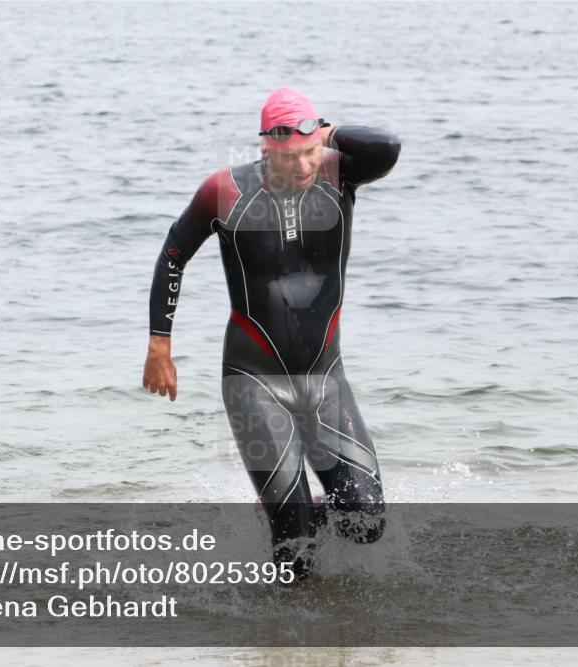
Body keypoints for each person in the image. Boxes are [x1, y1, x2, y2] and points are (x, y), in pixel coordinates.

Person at [143, 88, 401, 580]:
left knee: (367, 521)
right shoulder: (225, 192)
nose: (305, 167)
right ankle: (284, 642)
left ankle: (289, 510)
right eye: (291, 157)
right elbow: (174, 251)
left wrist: (327, 133)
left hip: (326, 379)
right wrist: (160, 343)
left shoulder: (339, 173)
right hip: (253, 382)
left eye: (311, 153)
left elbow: (387, 146)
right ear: (266, 149)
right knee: (296, 552)